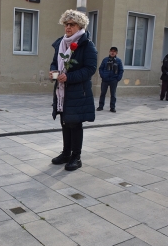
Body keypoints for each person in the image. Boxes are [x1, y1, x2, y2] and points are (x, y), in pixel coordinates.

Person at [49, 9, 97, 171]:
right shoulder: (61, 43)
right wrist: (54, 71)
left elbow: (90, 69)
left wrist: (69, 77)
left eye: (72, 24)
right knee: (65, 122)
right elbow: (55, 63)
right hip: (62, 91)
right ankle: (66, 153)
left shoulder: (87, 45)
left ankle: (76, 157)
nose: (68, 27)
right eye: (66, 24)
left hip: (78, 92)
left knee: (75, 124)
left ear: (80, 25)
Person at [96, 47, 124, 113]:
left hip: (114, 80)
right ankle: (100, 106)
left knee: (113, 94)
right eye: (111, 51)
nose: (112, 52)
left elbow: (121, 70)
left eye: (114, 51)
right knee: (103, 93)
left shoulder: (118, 61)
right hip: (105, 79)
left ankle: (112, 107)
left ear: (116, 53)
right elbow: (101, 68)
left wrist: (118, 78)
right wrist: (102, 76)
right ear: (109, 52)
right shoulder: (105, 60)